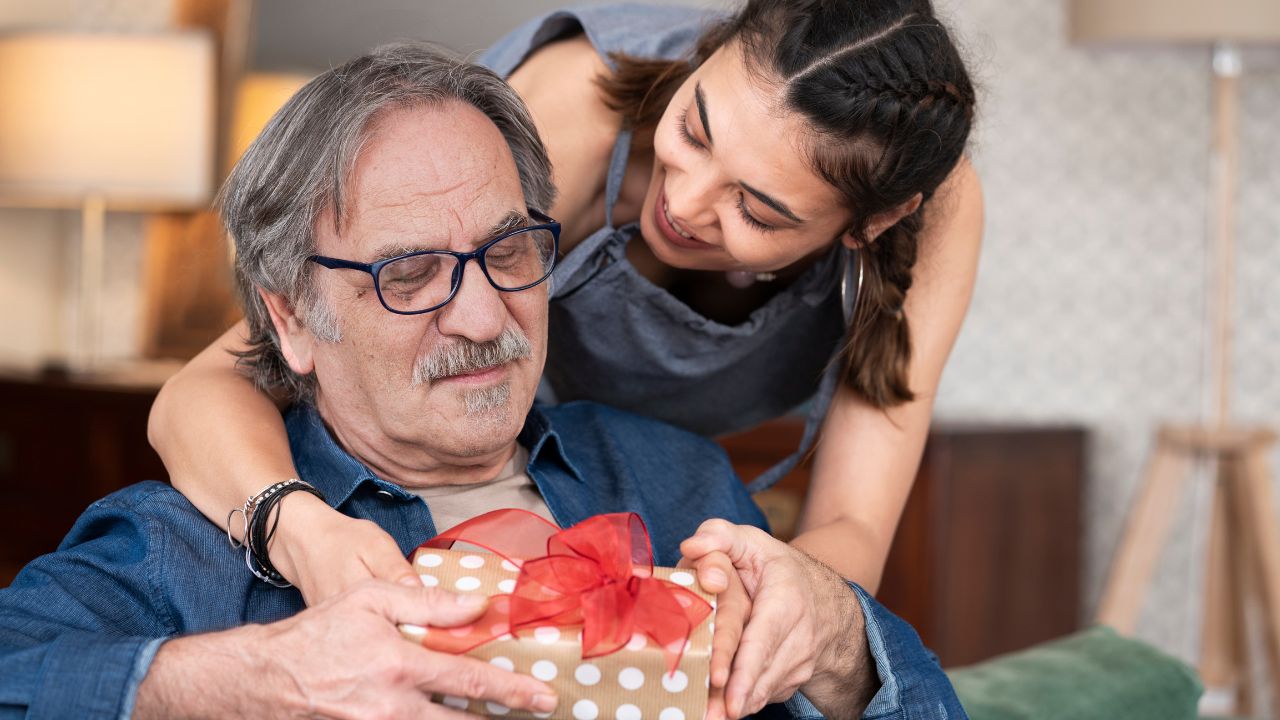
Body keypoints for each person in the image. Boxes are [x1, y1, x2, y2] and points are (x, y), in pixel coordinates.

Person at [0, 45, 965, 720]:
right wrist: (255, 681)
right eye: (409, 273)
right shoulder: (183, 547)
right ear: (290, 317)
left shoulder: (675, 482)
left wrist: (840, 645)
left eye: (508, 251)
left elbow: (924, 700)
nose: (481, 315)